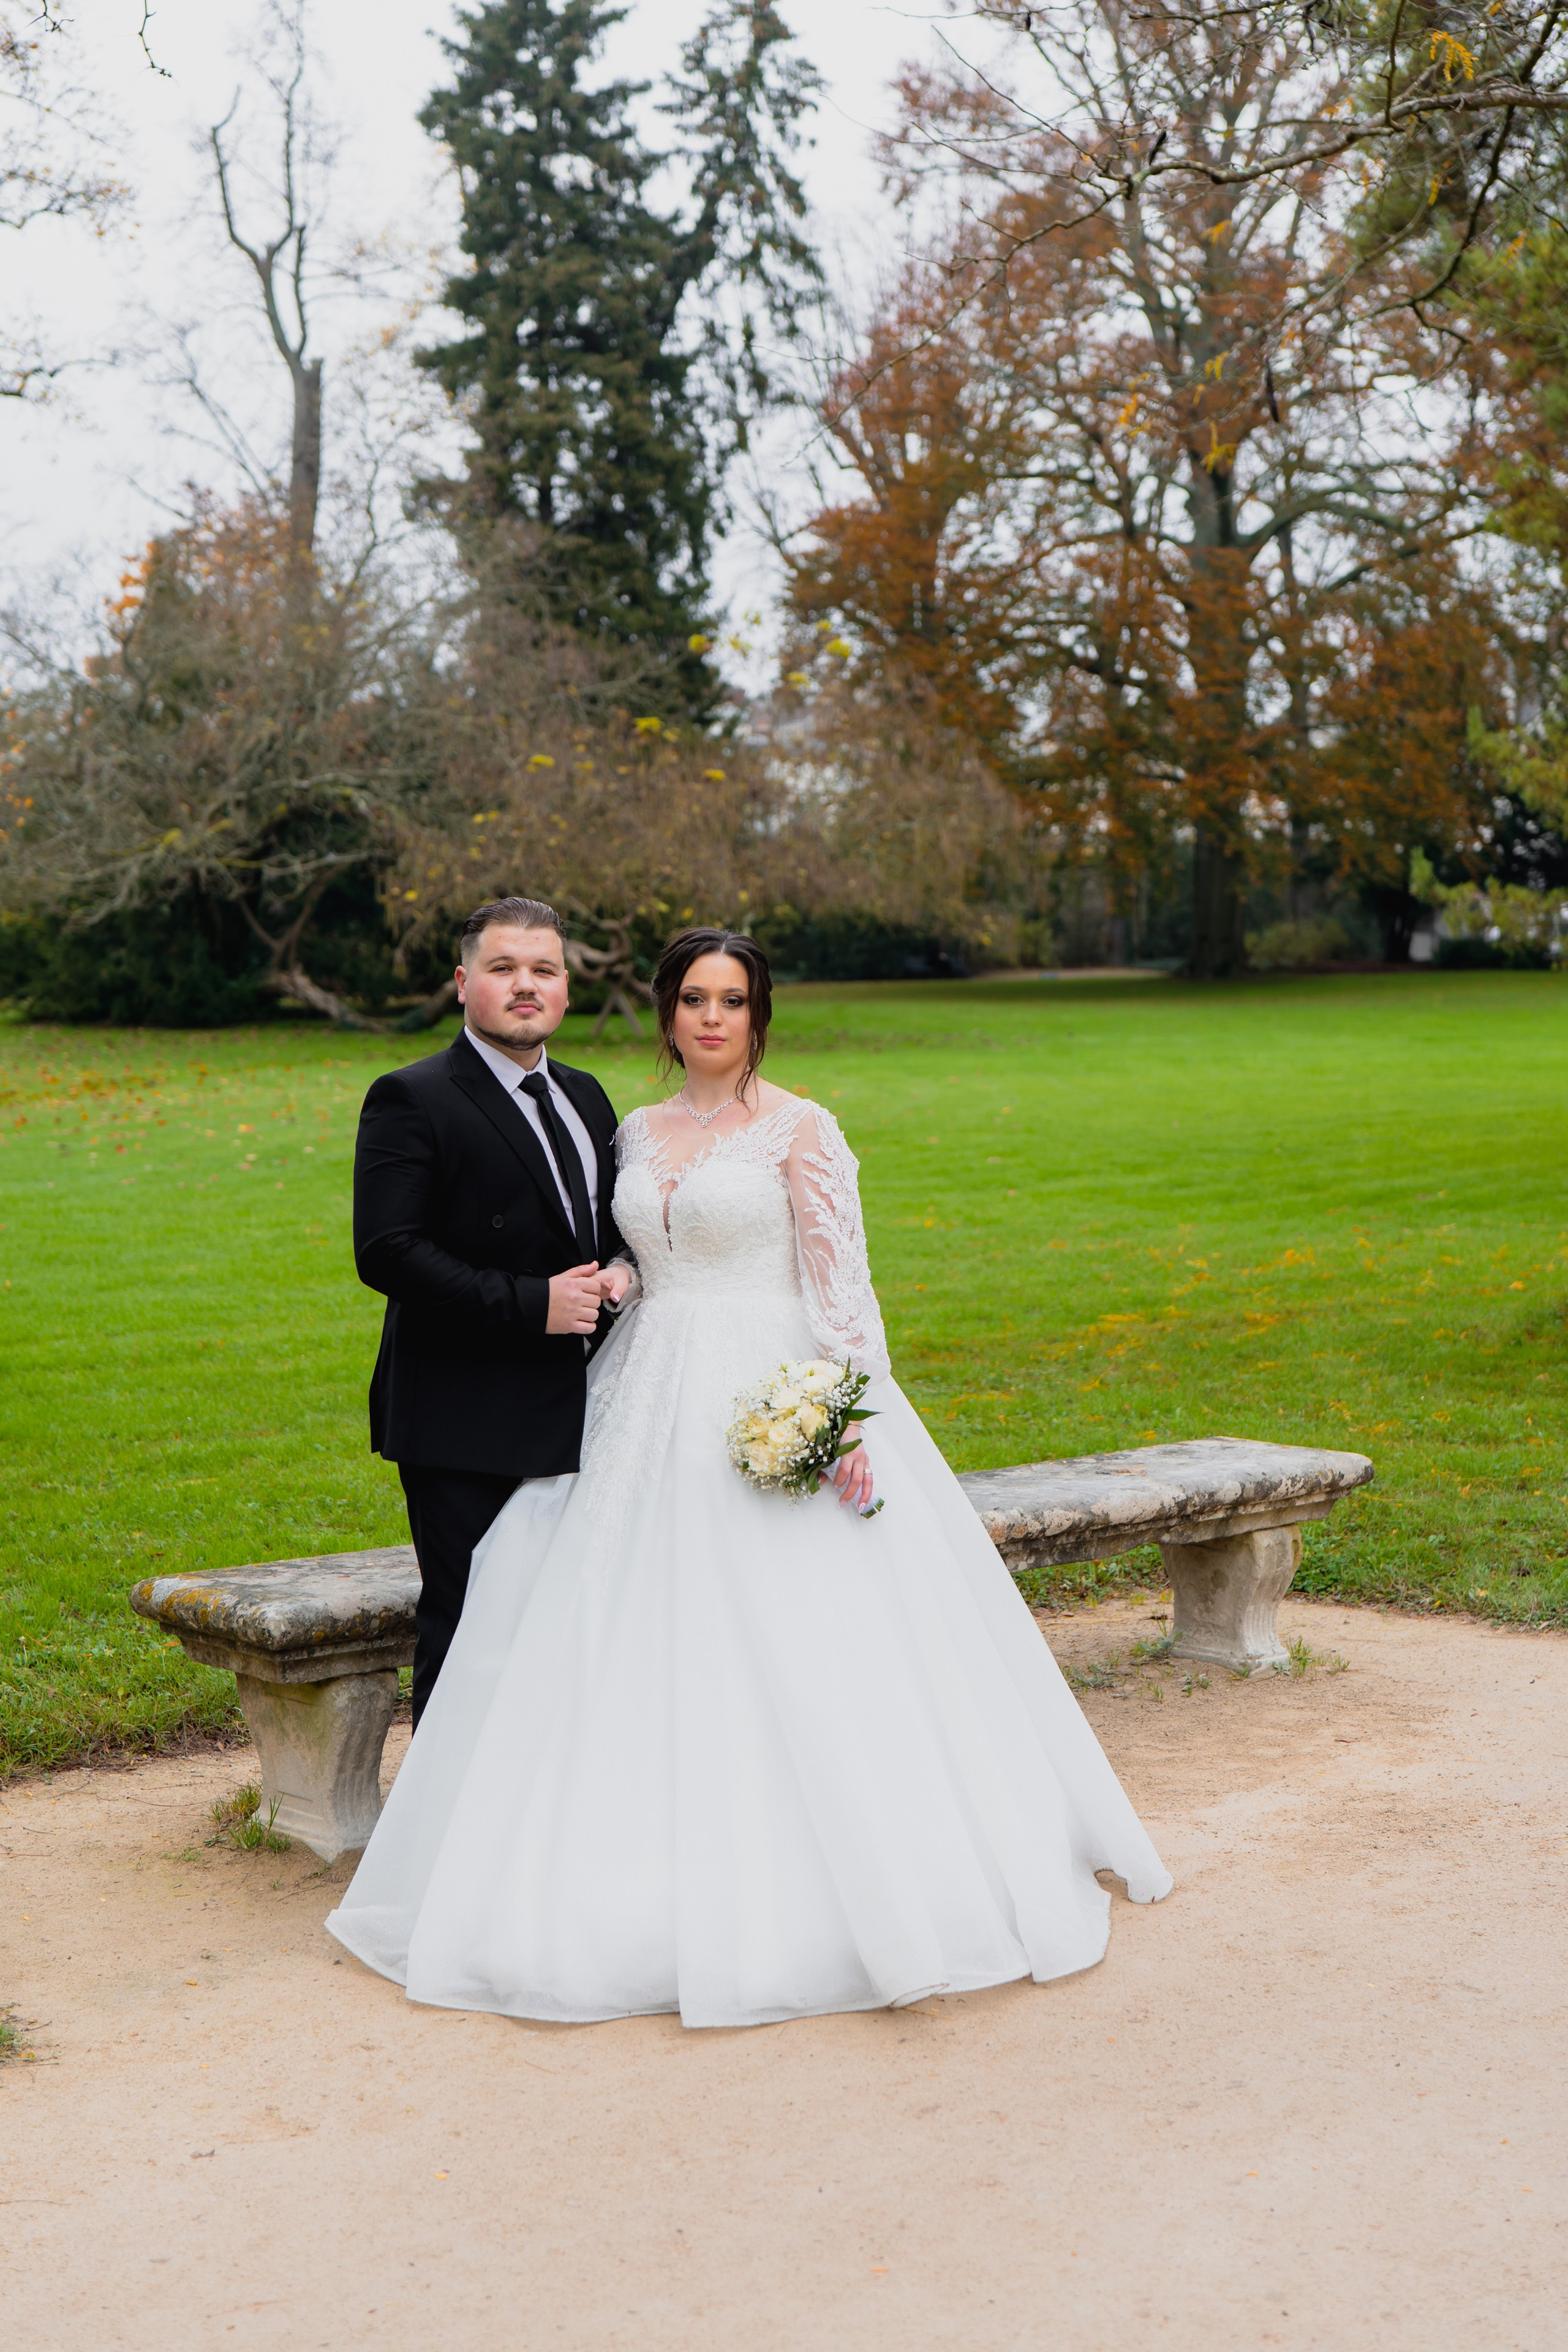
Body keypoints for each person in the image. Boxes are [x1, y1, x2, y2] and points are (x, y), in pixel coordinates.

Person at [329, 928, 1171, 2026]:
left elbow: (846, 1293)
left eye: (732, 999)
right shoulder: (625, 1125)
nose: (711, 1017)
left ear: (758, 1012)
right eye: (691, 998)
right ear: (666, 1013)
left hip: (773, 1384)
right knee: (601, 1610)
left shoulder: (803, 1129)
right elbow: (618, 1248)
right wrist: (623, 1273)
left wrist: (847, 1416)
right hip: (641, 1391)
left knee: (805, 1623)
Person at [352, 896, 628, 1724]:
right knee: (470, 1627)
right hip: (462, 1412)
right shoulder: (413, 1096)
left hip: (583, 1407)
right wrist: (533, 1303)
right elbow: (388, 1251)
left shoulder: (585, 1095)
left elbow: (605, 1228)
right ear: (463, 980)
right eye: (504, 968)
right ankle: (439, 1843)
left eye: (543, 970)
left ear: (566, 989)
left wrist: (621, 1273)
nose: (525, 986)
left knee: (564, 1625)